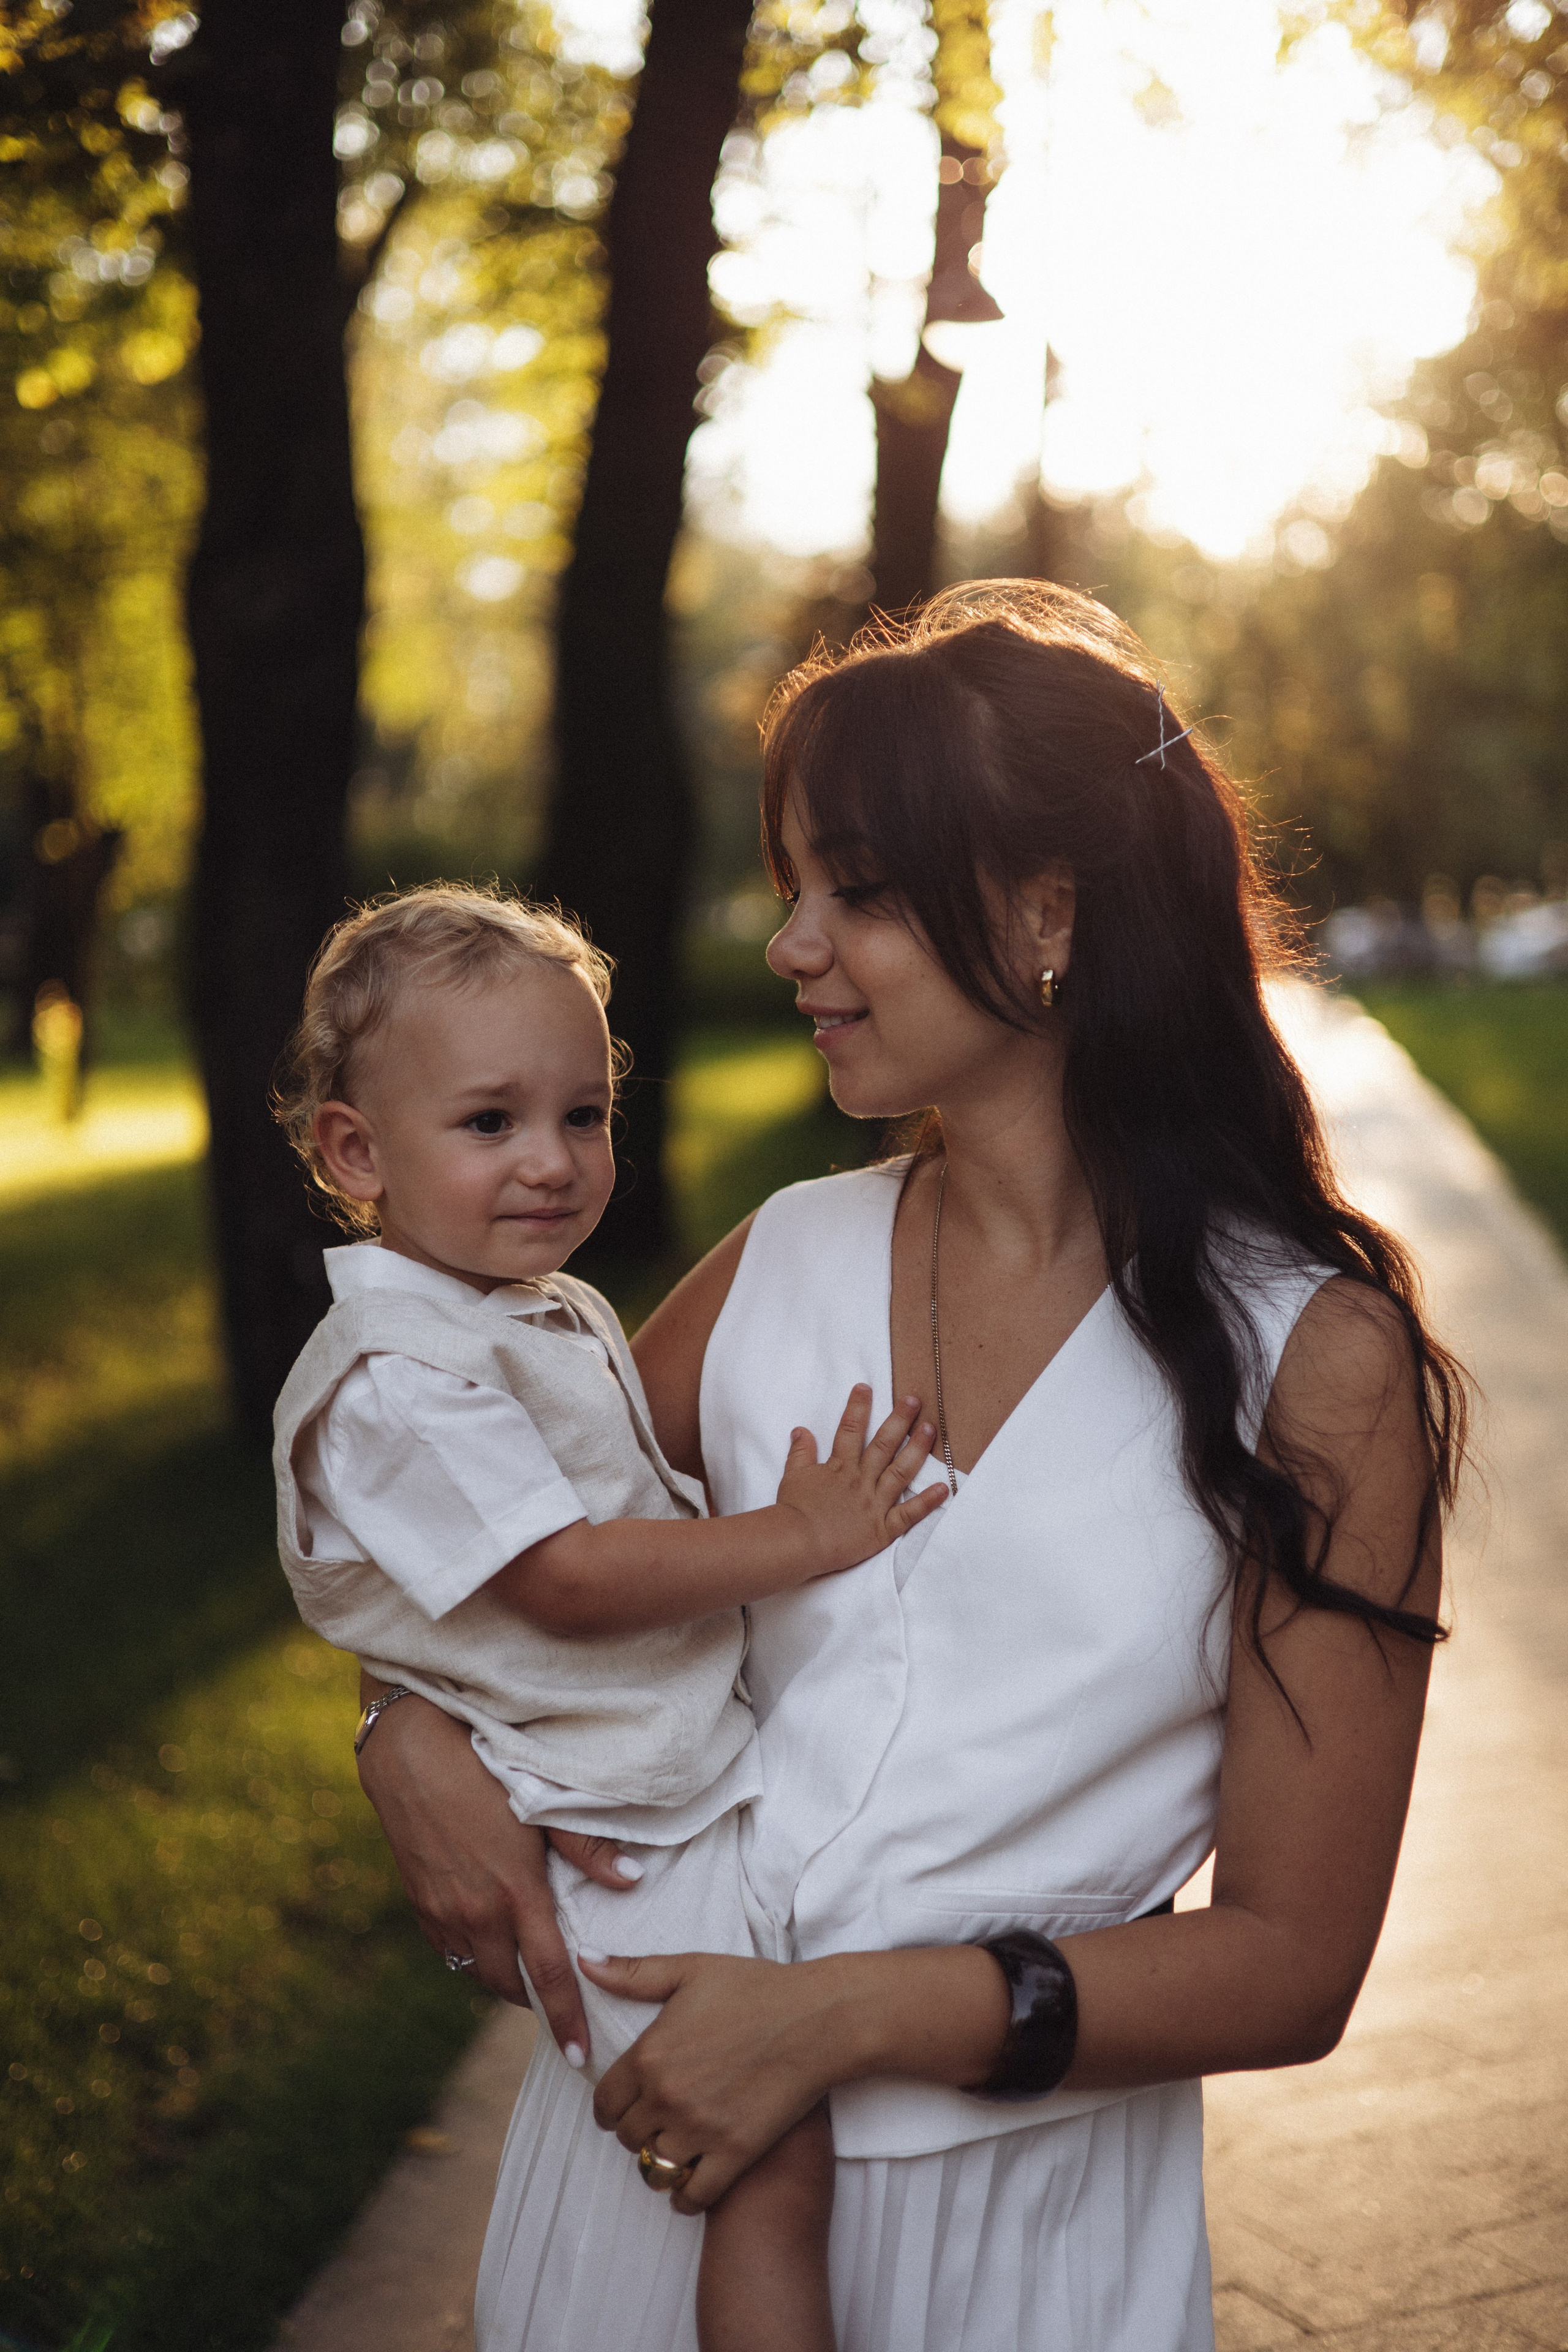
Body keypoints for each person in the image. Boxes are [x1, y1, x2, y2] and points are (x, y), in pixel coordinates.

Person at [357, 582, 1466, 2352]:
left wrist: (841, 2018)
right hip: (645, 2177)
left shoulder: (1315, 1369)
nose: (792, 944)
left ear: (1049, 910)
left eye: (854, 890)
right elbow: (495, 1565)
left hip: (1007, 2236)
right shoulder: (780, 1260)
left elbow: (1293, 1960)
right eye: (795, 886)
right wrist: (401, 1737)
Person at [268, 884, 948, 2352]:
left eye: (584, 1114)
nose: (553, 1162)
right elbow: (566, 1578)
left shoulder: (527, 1311)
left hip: (662, 1799)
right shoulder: (395, 1375)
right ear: (353, 1151)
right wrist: (800, 1537)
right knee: (766, 2160)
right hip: (620, 1841)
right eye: (490, 1122)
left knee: (764, 2156)